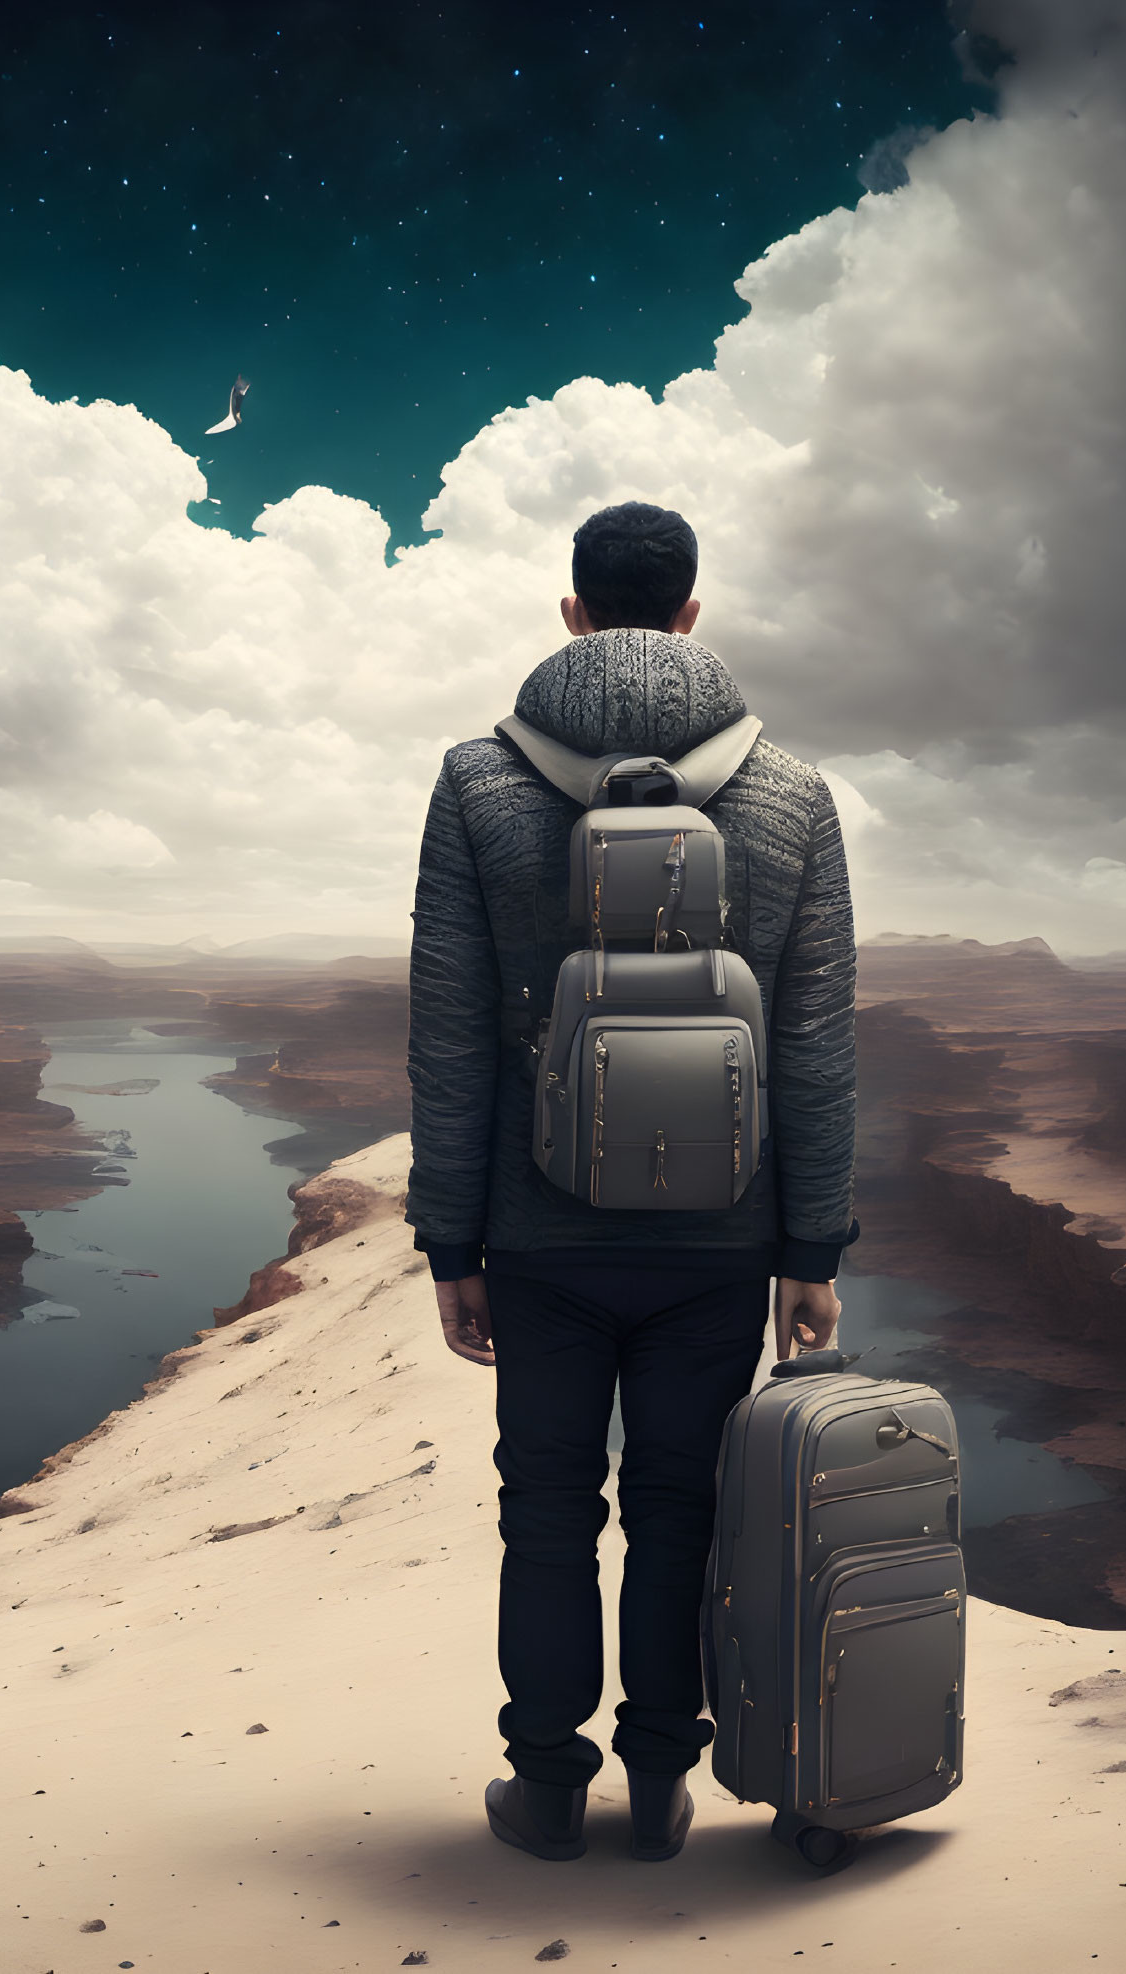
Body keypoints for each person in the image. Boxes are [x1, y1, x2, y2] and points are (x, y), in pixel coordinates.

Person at [405, 500, 858, 1863]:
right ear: (692, 613)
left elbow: (448, 1029)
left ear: (571, 612)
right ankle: (659, 1784)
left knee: (543, 1504)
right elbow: (816, 1041)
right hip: (715, 1236)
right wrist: (812, 1246)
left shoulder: (478, 783)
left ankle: (545, 1786)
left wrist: (450, 1240)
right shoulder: (788, 794)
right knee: (679, 1504)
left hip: (537, 1237)